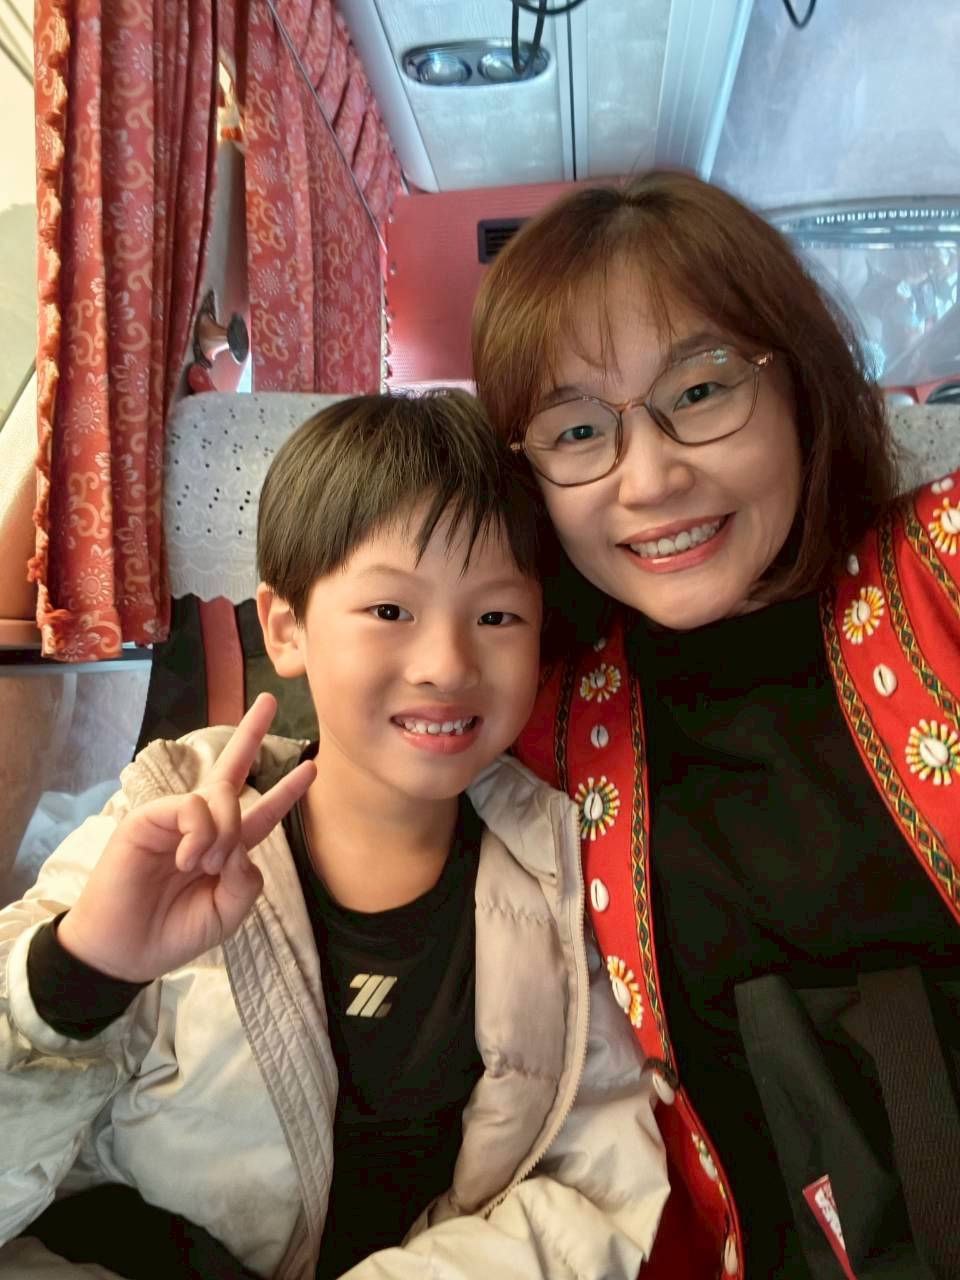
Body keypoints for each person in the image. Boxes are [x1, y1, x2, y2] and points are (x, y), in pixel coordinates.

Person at [0, 391, 669, 1279]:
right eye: (390, 611)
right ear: (287, 629)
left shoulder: (561, 870)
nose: (447, 666)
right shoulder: (166, 821)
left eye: (497, 616)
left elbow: (595, 1190)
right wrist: (79, 975)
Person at [471, 173, 960, 1280]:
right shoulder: (541, 728)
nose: (650, 478)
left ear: (800, 386)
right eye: (577, 429)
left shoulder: (941, 574)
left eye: (699, 391)